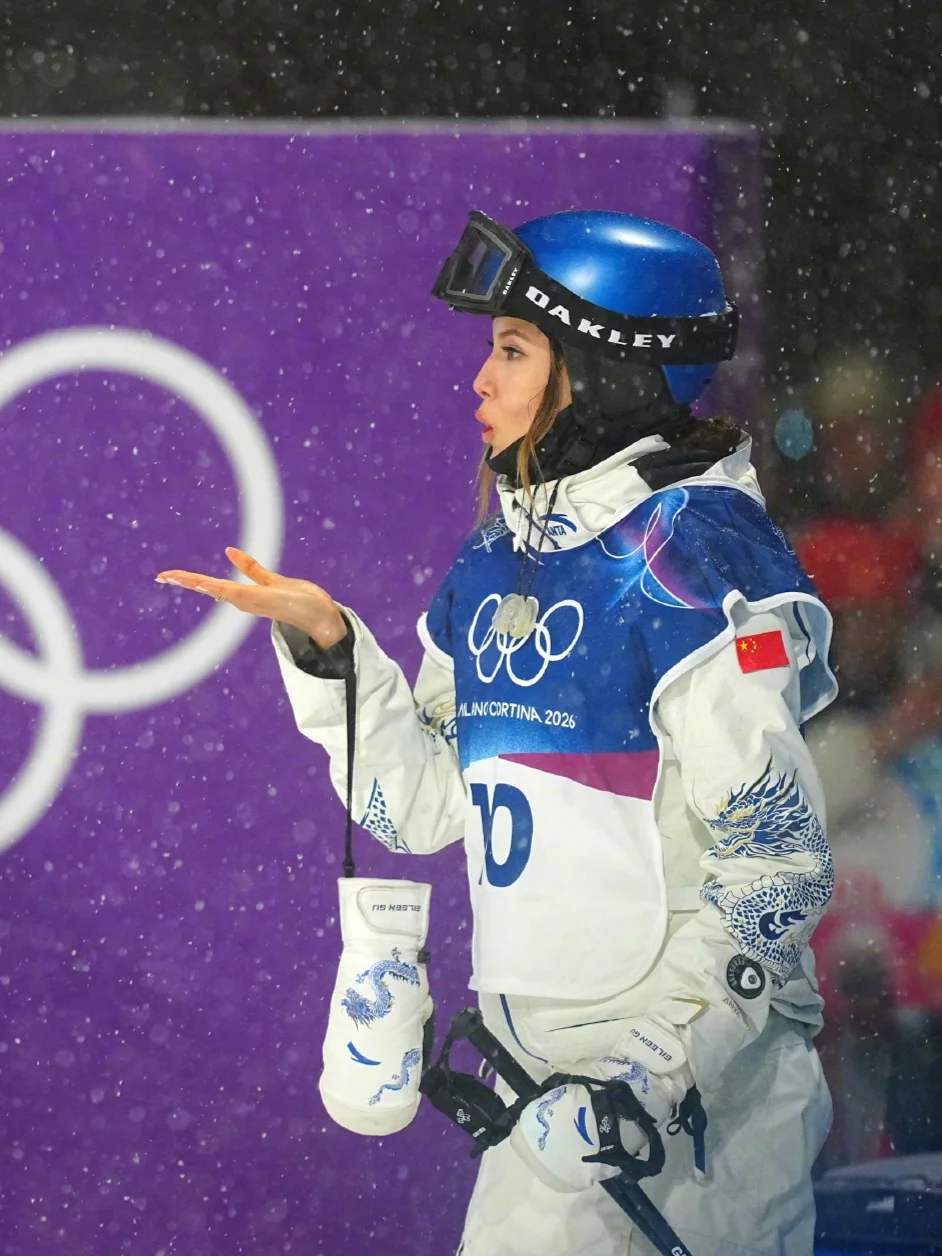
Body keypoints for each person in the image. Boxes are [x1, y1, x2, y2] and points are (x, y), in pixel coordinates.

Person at [157, 210, 838, 1256]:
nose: (479, 380)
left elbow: (778, 865)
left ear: (605, 368)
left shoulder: (693, 555)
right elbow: (422, 808)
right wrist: (333, 653)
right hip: (543, 1120)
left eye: (513, 350)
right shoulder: (496, 556)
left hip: (700, 1135)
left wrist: (643, 1080)